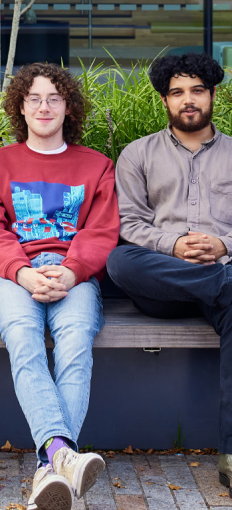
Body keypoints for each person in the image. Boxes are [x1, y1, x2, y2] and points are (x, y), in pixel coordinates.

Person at [0, 62, 119, 509]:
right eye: (34, 97)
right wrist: (22, 271)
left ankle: (49, 463)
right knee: (24, 339)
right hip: (11, 274)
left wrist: (73, 271)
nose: (44, 106)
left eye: (54, 98)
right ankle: (61, 455)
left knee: (75, 343)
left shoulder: (96, 166)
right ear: (21, 105)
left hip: (75, 275)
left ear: (68, 107)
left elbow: (101, 231)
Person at [106, 52, 232, 496]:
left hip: (223, 272)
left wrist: (223, 245)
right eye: (177, 92)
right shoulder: (138, 154)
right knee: (119, 261)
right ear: (165, 100)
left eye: (197, 90)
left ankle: (231, 456)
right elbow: (129, 224)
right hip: (163, 282)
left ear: (213, 94)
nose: (188, 100)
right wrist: (175, 245)